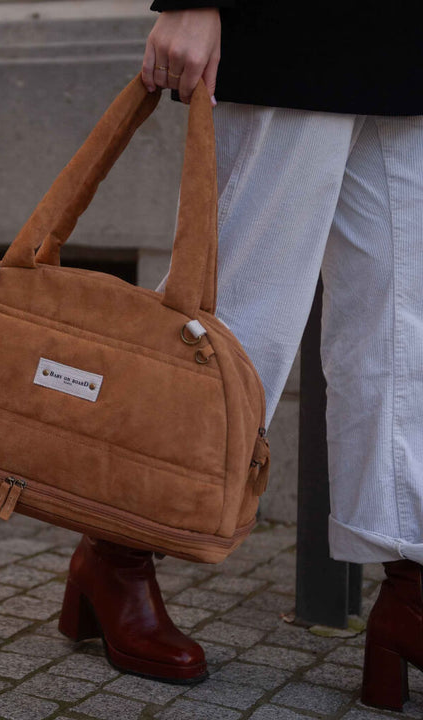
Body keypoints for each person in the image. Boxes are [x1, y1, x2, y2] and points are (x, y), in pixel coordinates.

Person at [58, 1, 423, 709]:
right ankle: (117, 551)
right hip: (293, 34)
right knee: (228, 329)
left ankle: (412, 590)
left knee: (404, 335)